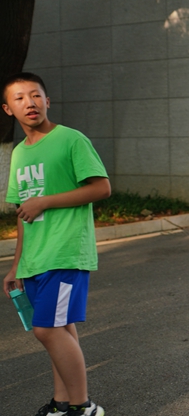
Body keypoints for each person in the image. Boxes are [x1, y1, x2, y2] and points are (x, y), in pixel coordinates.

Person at [2, 72, 111, 416]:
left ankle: (83, 407)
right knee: (59, 329)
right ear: (8, 109)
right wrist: (17, 264)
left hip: (65, 252)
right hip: (36, 258)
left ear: (47, 101)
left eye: (36, 95)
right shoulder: (19, 153)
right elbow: (23, 213)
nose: (29, 103)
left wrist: (45, 201)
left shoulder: (70, 139)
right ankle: (61, 404)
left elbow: (102, 187)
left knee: (46, 329)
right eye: (20, 98)